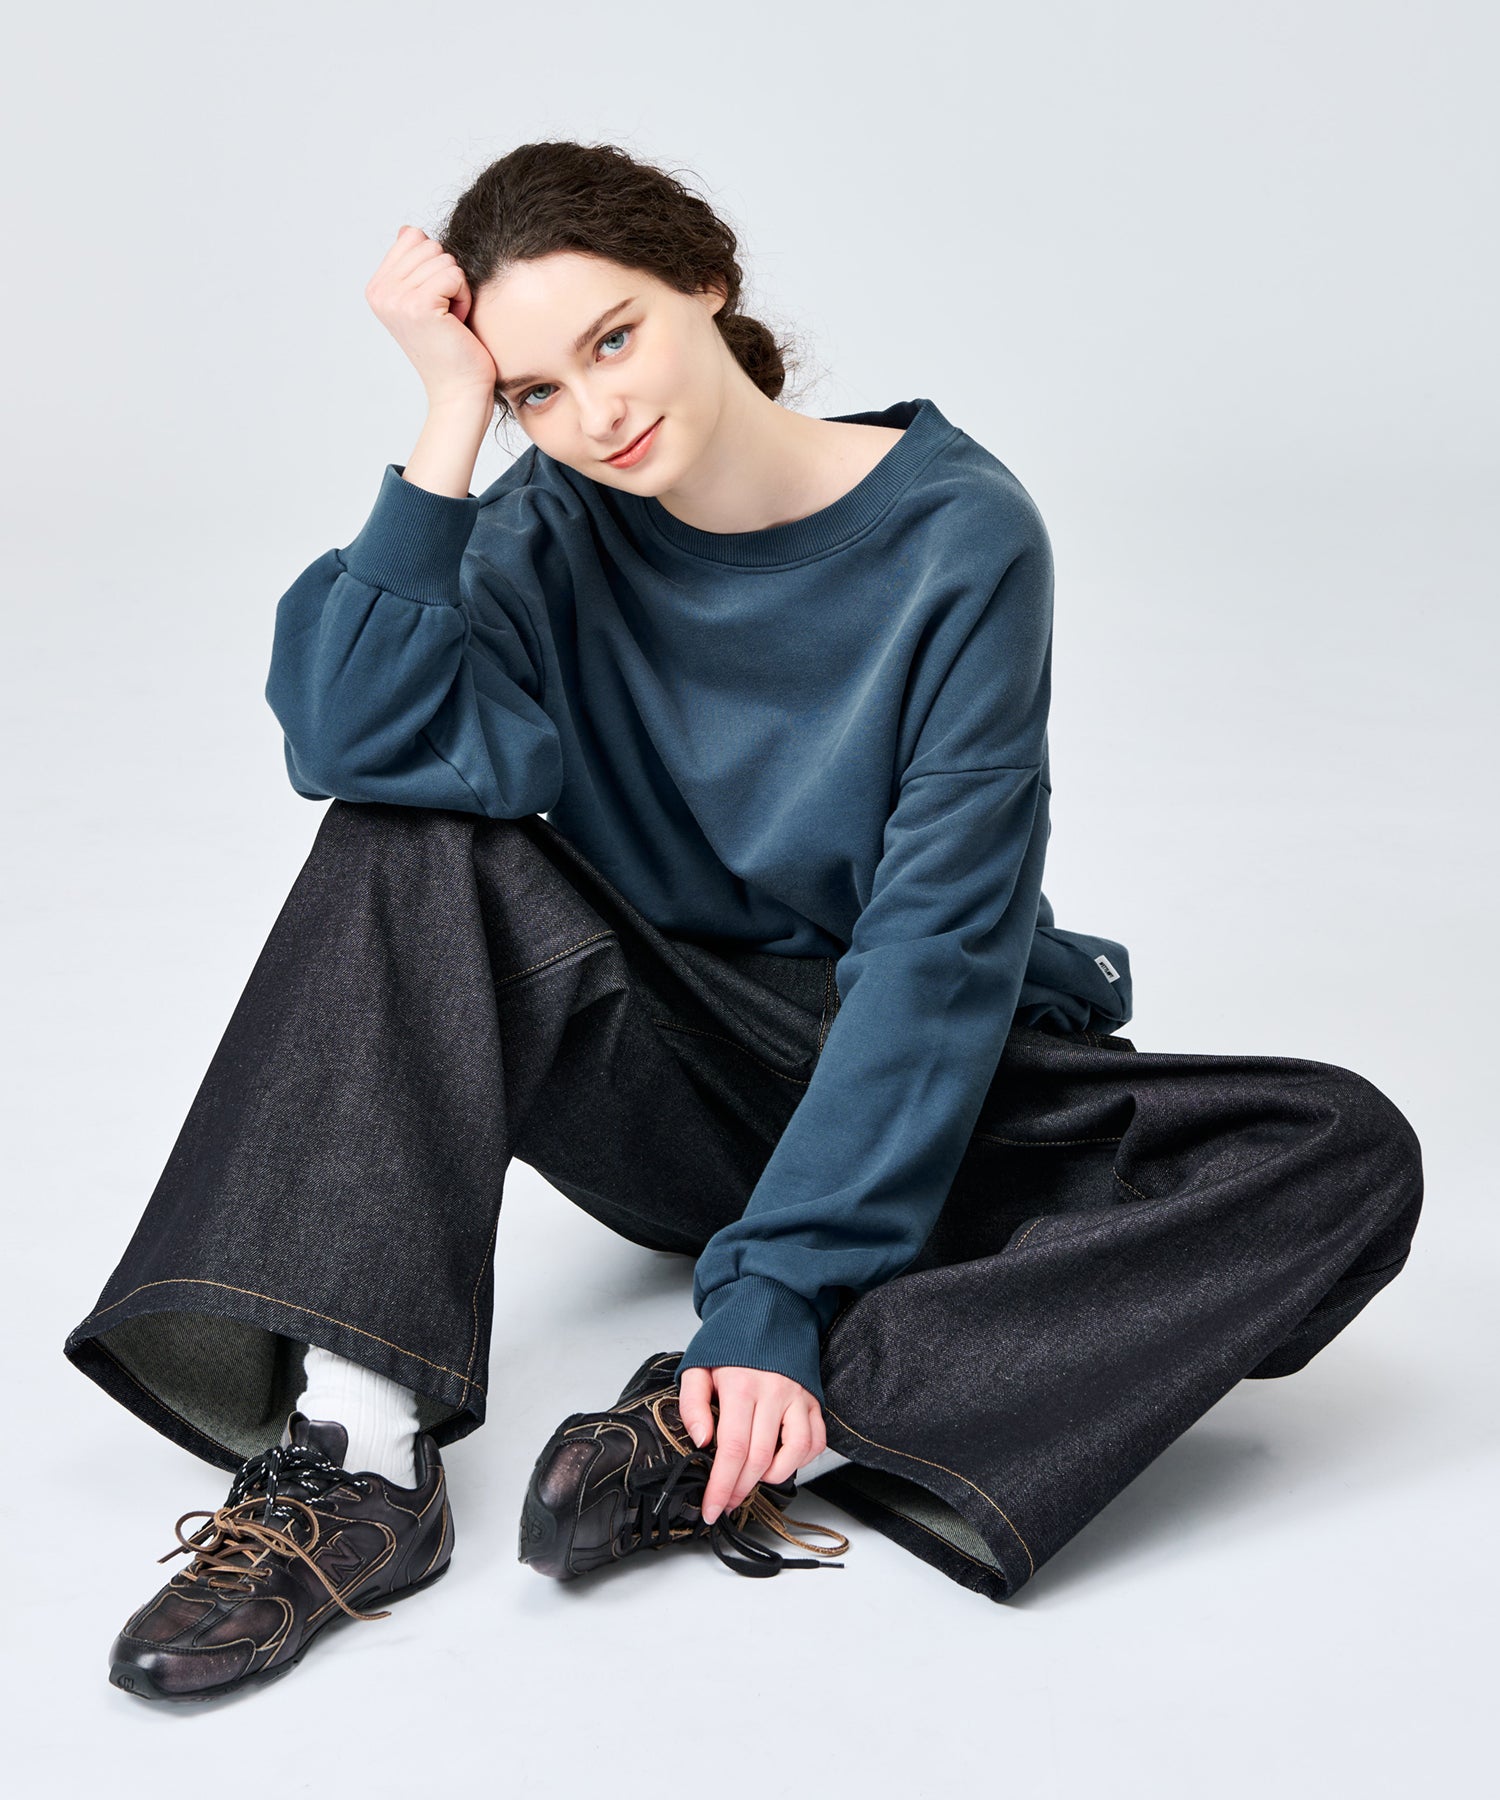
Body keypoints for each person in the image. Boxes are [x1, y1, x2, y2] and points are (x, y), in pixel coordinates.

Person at [65, 139, 1425, 1703]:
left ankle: (735, 1421)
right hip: (683, 1078)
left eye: (615, 339)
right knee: (402, 830)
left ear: (706, 280)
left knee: (1342, 1154)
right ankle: (358, 1454)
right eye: (538, 391)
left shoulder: (961, 535)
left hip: (927, 1075)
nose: (596, 414)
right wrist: (447, 415)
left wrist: (774, 1298)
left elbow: (938, 950)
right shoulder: (548, 527)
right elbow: (348, 735)